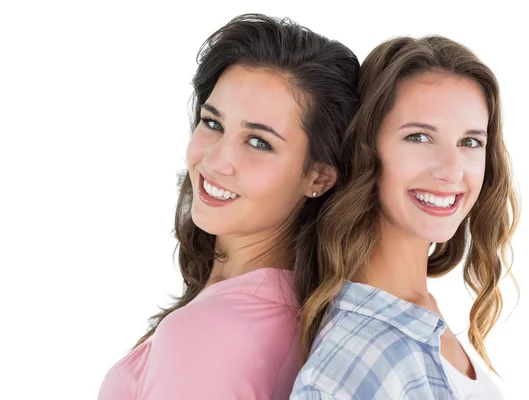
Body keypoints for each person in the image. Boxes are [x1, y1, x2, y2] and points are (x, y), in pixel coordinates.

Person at [98, 13, 359, 400]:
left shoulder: (213, 330)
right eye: (213, 123)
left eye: (258, 142)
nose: (215, 161)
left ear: (318, 177)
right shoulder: (293, 308)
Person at [291, 35, 520, 399]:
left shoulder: (420, 316)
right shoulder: (354, 363)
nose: (452, 170)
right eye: (418, 137)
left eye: (470, 142)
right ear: (364, 151)